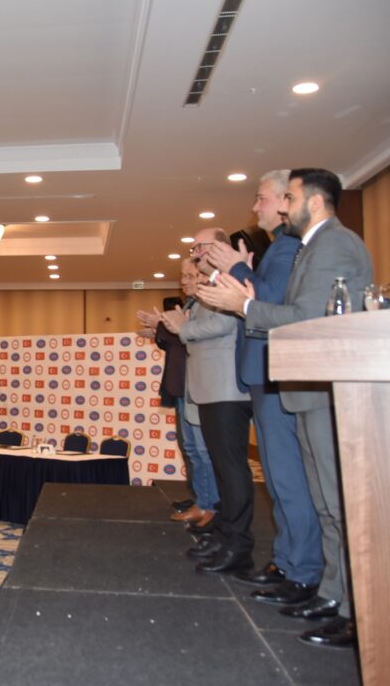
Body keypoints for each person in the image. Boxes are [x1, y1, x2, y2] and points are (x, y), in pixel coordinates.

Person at [199, 167, 373, 648]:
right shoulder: (311, 247)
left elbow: (305, 318)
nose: (278, 207)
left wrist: (243, 305)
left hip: (325, 387)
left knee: (336, 504)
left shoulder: (333, 244)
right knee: (326, 503)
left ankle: (355, 610)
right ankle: (334, 596)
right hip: (309, 387)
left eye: (287, 198)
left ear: (313, 202)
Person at [204, 170, 323, 604]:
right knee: (277, 480)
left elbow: (272, 302)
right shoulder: (279, 248)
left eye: (262, 198)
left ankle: (302, 570)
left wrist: (236, 269)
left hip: (277, 373)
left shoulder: (290, 247)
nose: (255, 207)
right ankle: (287, 563)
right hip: (265, 374)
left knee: (288, 480)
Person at [163, 228, 253, 576]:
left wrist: (182, 328)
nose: (194, 252)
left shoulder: (228, 281)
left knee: (229, 468)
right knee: (218, 466)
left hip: (225, 387)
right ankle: (224, 534)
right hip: (209, 387)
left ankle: (236, 543)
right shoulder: (212, 285)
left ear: (217, 248)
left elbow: (224, 325)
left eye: (198, 247)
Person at [138, 260, 218, 527]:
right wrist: (158, 331)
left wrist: (161, 327)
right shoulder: (190, 305)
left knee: (203, 450)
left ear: (204, 277)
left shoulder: (207, 306)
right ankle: (201, 501)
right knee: (192, 449)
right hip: (185, 384)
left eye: (190, 276)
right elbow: (180, 341)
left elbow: (192, 338)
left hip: (200, 385)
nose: (184, 281)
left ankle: (210, 506)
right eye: (182, 276)